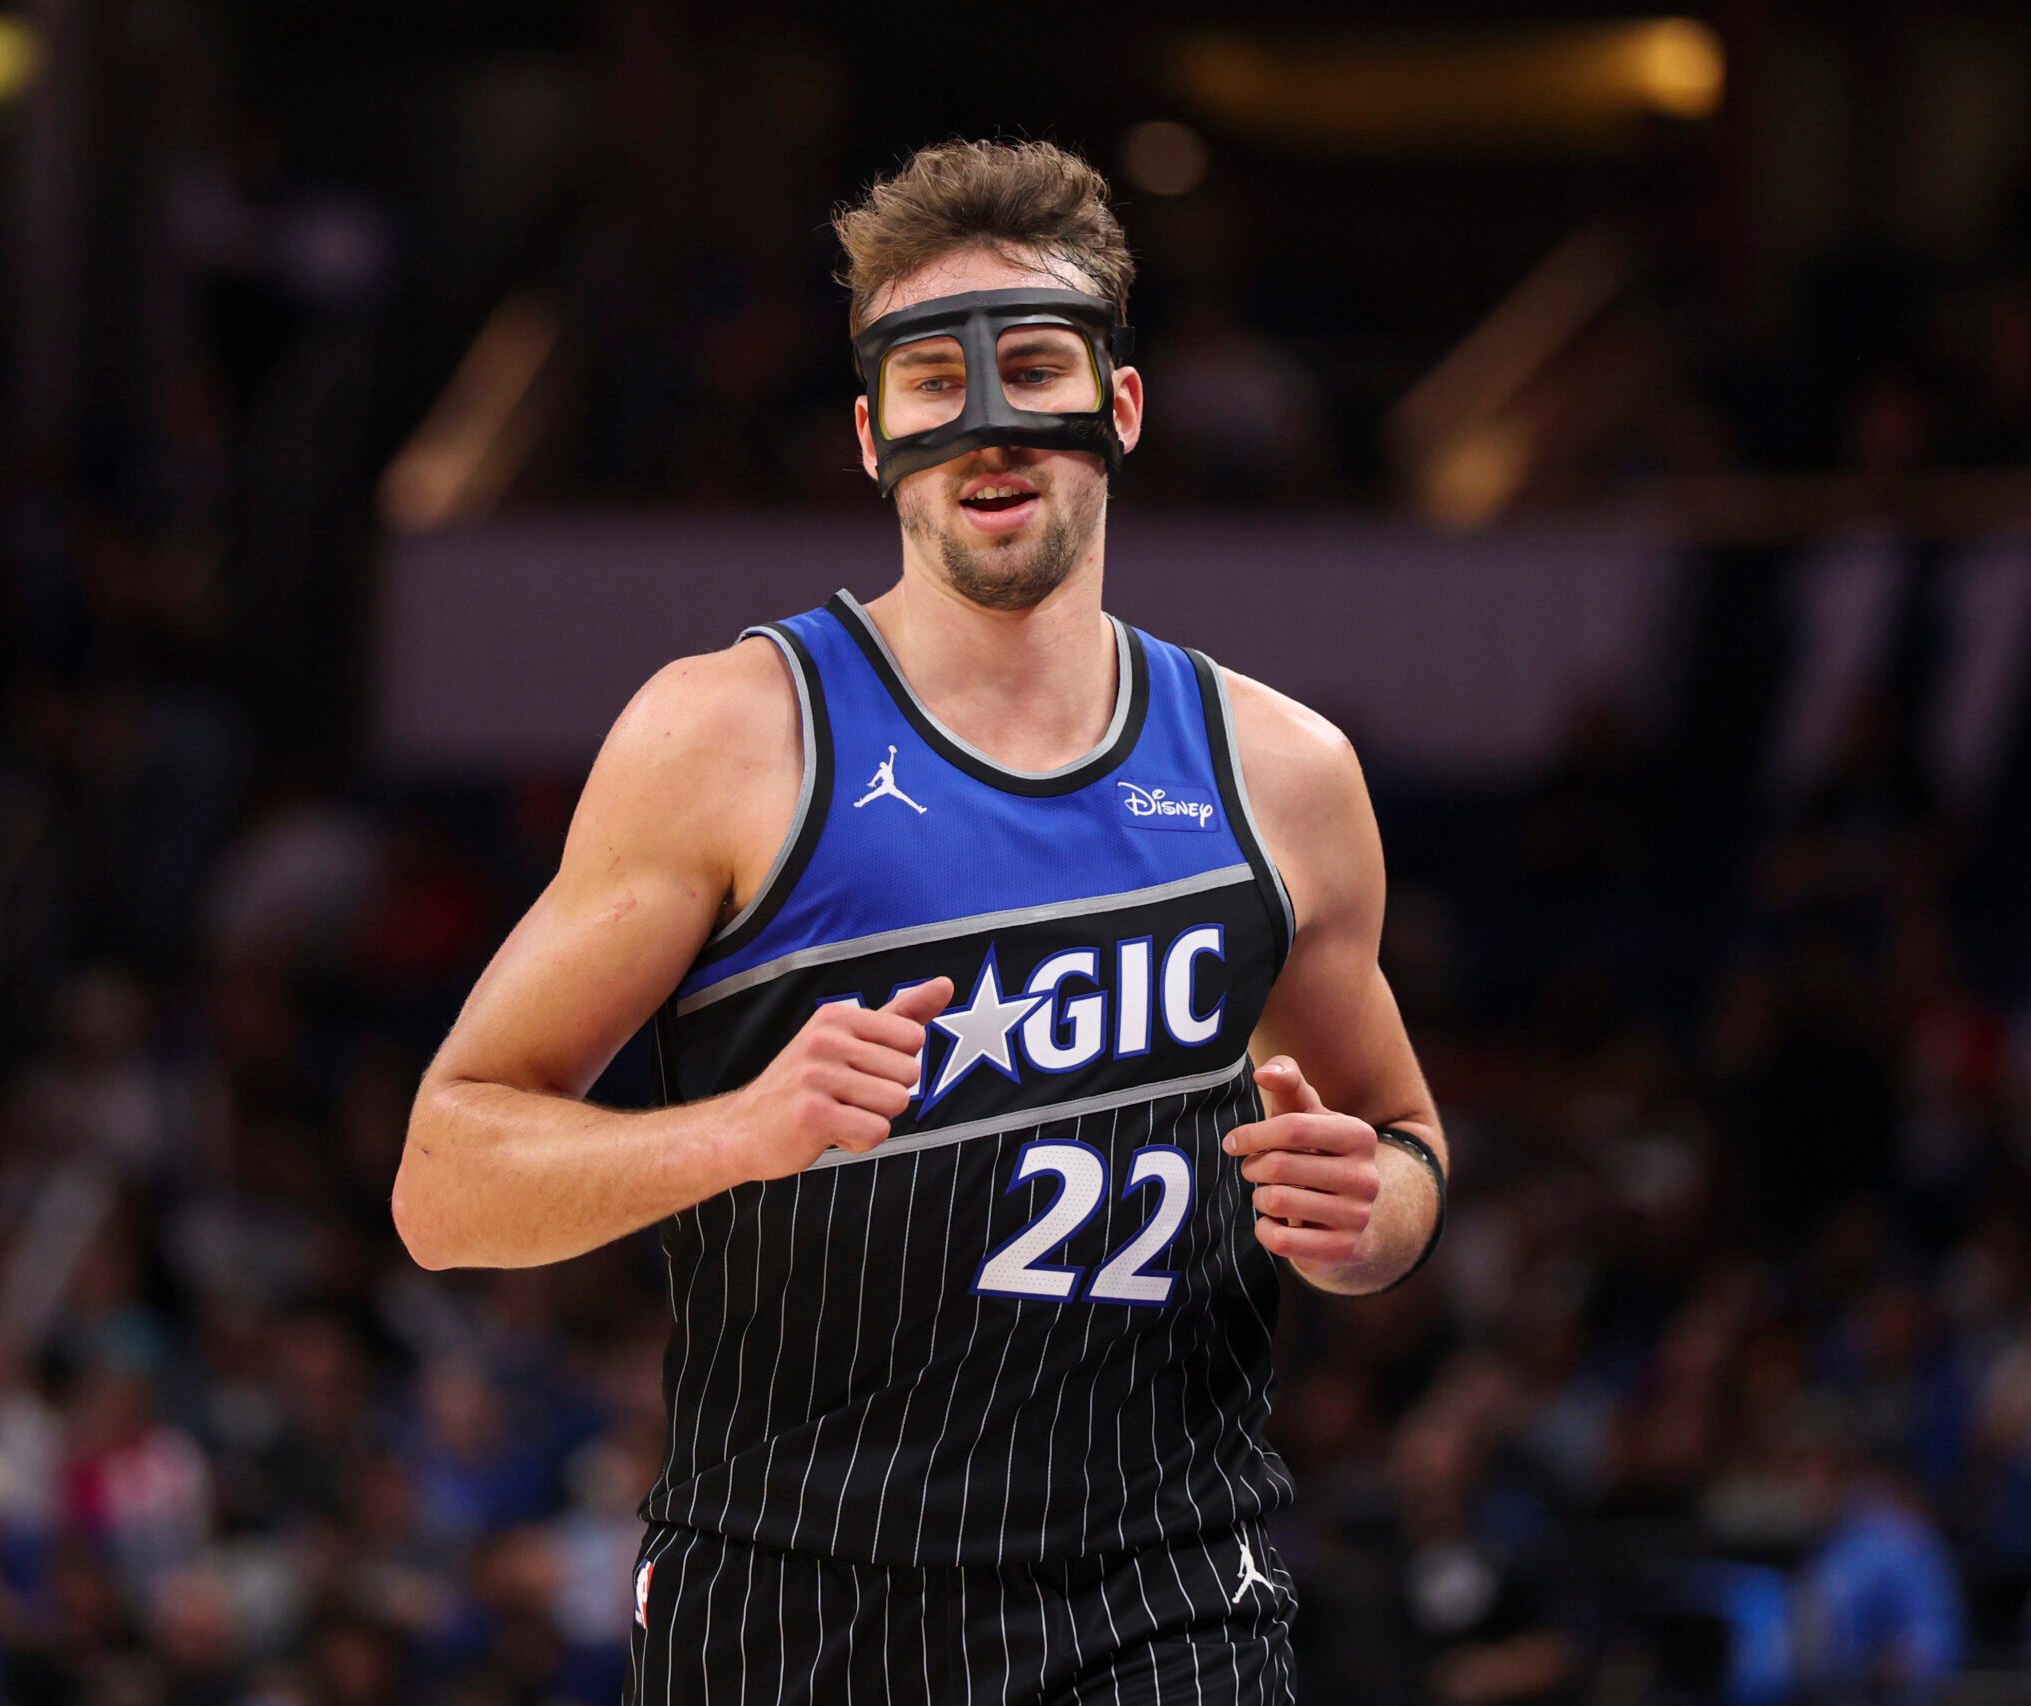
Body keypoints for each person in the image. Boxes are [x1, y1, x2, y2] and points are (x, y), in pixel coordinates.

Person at [394, 137, 1449, 1703]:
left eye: (1032, 365)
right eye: (936, 385)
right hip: (794, 1598)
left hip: (1166, 1593)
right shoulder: (728, 736)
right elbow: (443, 1178)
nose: (990, 427)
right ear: (875, 430)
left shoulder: (1284, 773)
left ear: (1122, 407)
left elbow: (1404, 1140)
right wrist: (738, 1131)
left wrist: (1375, 1215)